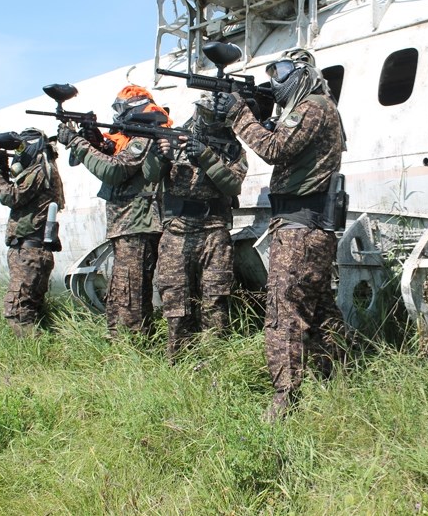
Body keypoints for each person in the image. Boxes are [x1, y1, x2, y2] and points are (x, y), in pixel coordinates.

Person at [214, 48, 348, 421]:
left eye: (284, 70)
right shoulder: (317, 109)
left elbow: (274, 148)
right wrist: (260, 113)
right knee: (319, 308)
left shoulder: (314, 105)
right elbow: (282, 141)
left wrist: (239, 115)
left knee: (283, 311)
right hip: (309, 226)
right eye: (273, 71)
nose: (277, 78)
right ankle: (336, 376)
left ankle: (284, 398)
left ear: (304, 73)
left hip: (301, 229)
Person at [144, 96, 247, 363]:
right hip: (176, 233)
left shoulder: (232, 149)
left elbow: (232, 185)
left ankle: (214, 364)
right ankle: (178, 363)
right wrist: (159, 155)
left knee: (215, 301)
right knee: (176, 303)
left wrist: (204, 155)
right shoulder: (176, 141)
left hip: (214, 232)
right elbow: (150, 176)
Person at [57, 86, 165, 339]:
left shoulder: (146, 135)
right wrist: (93, 138)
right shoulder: (131, 137)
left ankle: (136, 345)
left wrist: (77, 141)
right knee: (120, 291)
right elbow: (111, 152)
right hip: (127, 226)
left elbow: (114, 171)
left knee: (132, 294)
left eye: (121, 109)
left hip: (138, 224)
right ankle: (119, 341)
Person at [0, 128, 65, 337]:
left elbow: (11, 197)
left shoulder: (39, 171)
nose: (20, 153)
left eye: (22, 147)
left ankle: (36, 354)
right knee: (29, 310)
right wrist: (1, 167)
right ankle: (40, 352)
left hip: (30, 253)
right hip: (30, 253)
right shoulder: (43, 170)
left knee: (17, 311)